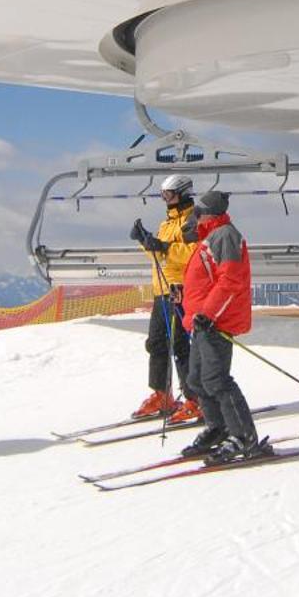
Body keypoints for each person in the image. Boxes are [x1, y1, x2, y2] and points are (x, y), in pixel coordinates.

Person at [175, 190, 273, 464]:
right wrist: (185, 296)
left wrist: (208, 314)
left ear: (210, 213)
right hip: (202, 321)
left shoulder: (225, 236)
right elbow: (206, 279)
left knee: (216, 380)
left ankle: (243, 436)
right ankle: (219, 428)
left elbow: (231, 280)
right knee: (197, 380)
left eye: (198, 212)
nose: (195, 217)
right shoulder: (210, 237)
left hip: (215, 322)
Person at [126, 173, 201, 424]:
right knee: (156, 343)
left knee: (180, 345)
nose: (165, 199)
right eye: (162, 195)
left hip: (180, 289)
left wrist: (164, 246)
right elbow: (159, 257)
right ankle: (162, 394)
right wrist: (145, 241)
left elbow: (194, 253)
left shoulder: (191, 221)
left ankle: (195, 399)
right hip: (162, 290)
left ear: (182, 193)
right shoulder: (167, 223)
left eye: (168, 195)